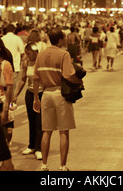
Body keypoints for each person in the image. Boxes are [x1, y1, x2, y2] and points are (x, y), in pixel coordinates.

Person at [33, 28, 83, 171]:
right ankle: (62, 166)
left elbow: (36, 77)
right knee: (63, 131)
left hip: (46, 94)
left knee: (46, 131)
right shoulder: (63, 54)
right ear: (60, 39)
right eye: (64, 37)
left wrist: (36, 98)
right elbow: (68, 75)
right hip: (59, 94)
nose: (66, 39)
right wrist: (79, 81)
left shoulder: (41, 54)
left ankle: (44, 165)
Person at [13, 42, 43, 160]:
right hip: (29, 94)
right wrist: (16, 94)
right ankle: (31, 146)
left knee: (39, 121)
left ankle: (39, 148)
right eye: (26, 54)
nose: (27, 56)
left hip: (41, 94)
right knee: (32, 120)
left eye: (29, 54)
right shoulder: (26, 63)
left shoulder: (41, 62)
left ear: (36, 52)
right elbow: (23, 79)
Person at [2, 24, 25, 95]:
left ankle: (5, 100)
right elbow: (22, 52)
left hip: (3, 65)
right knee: (12, 86)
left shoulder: (2, 39)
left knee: (4, 84)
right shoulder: (17, 39)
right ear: (14, 30)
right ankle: (11, 102)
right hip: (14, 66)